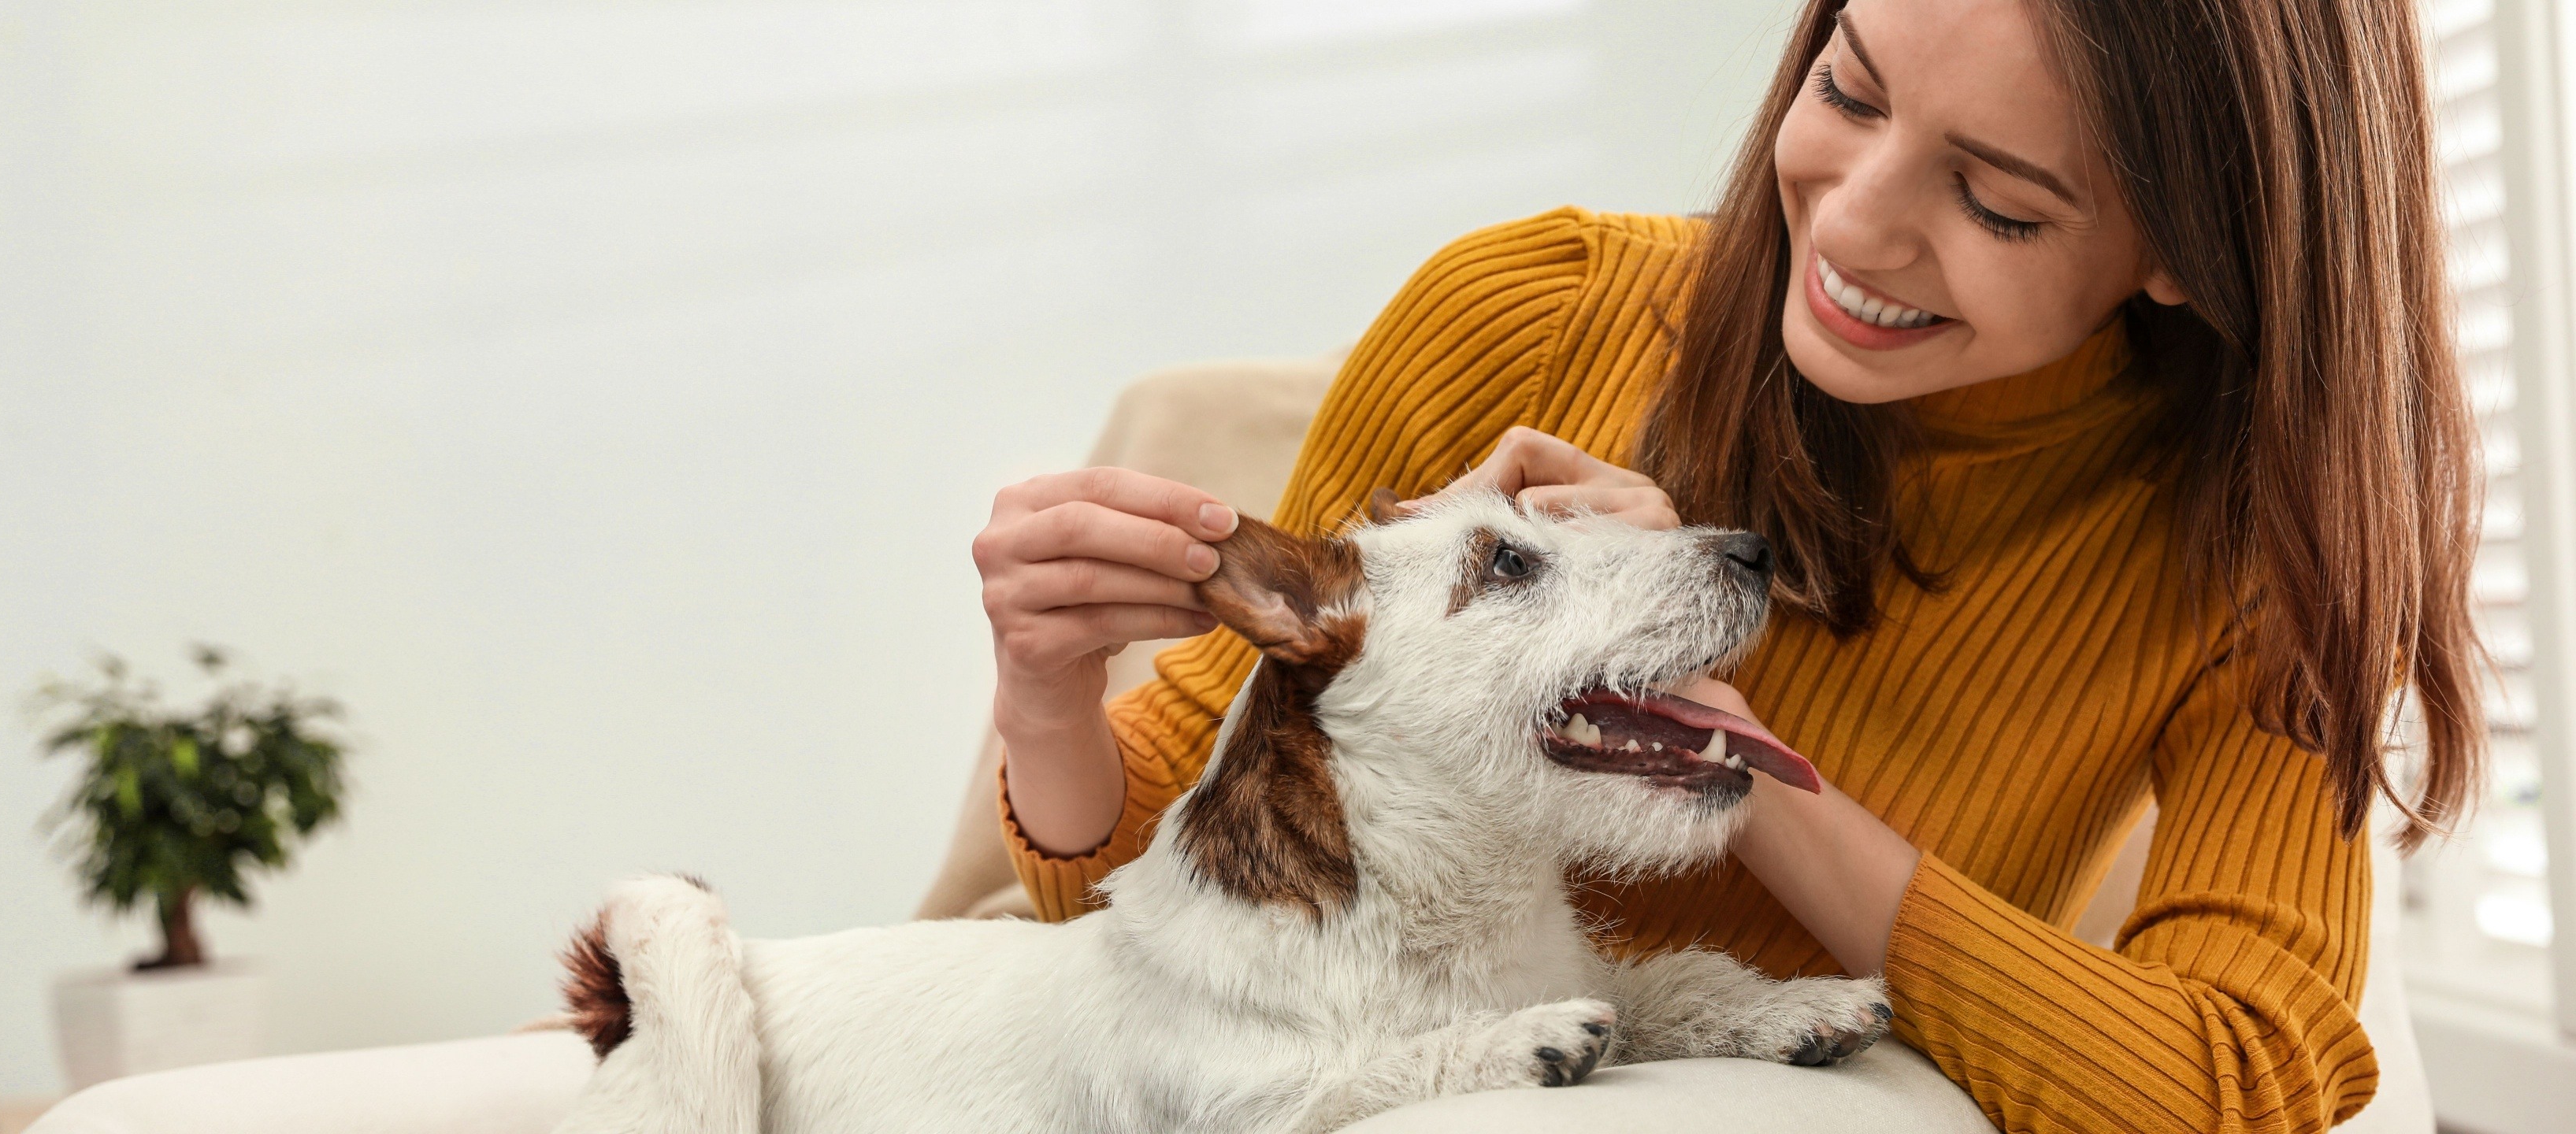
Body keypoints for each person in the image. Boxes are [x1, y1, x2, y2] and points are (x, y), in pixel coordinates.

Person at [968, 0, 2482, 1129]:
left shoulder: (2251, 573)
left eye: (1999, 201)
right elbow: (1148, 885)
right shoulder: (1527, 314)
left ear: (2187, 248)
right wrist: (1046, 698)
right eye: (1849, 88)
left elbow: (2238, 1080)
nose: (1857, 223)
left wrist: (1708, 745)